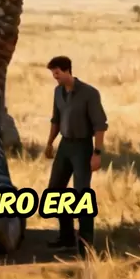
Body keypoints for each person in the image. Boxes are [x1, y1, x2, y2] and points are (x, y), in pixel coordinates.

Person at [44, 55, 108, 258]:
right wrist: (50, 143)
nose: (55, 77)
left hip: (82, 147)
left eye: (57, 73)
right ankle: (66, 237)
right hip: (65, 146)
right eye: (53, 73)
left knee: (81, 195)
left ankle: (86, 245)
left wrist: (97, 153)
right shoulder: (58, 92)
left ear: (67, 70)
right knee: (55, 190)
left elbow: (100, 125)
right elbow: (55, 120)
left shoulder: (89, 93)